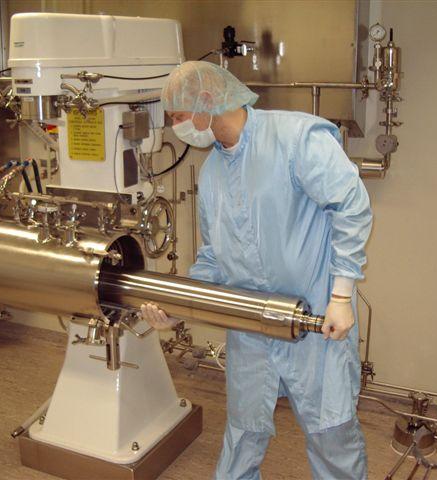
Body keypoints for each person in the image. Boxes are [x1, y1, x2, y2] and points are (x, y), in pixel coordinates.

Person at [141, 61, 372, 480]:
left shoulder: (296, 138)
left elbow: (351, 206)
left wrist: (341, 295)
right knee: (244, 430)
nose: (176, 128)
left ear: (207, 101)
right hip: (250, 328)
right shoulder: (213, 173)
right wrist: (178, 307)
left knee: (331, 435)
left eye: (178, 116)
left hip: (316, 321)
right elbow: (213, 258)